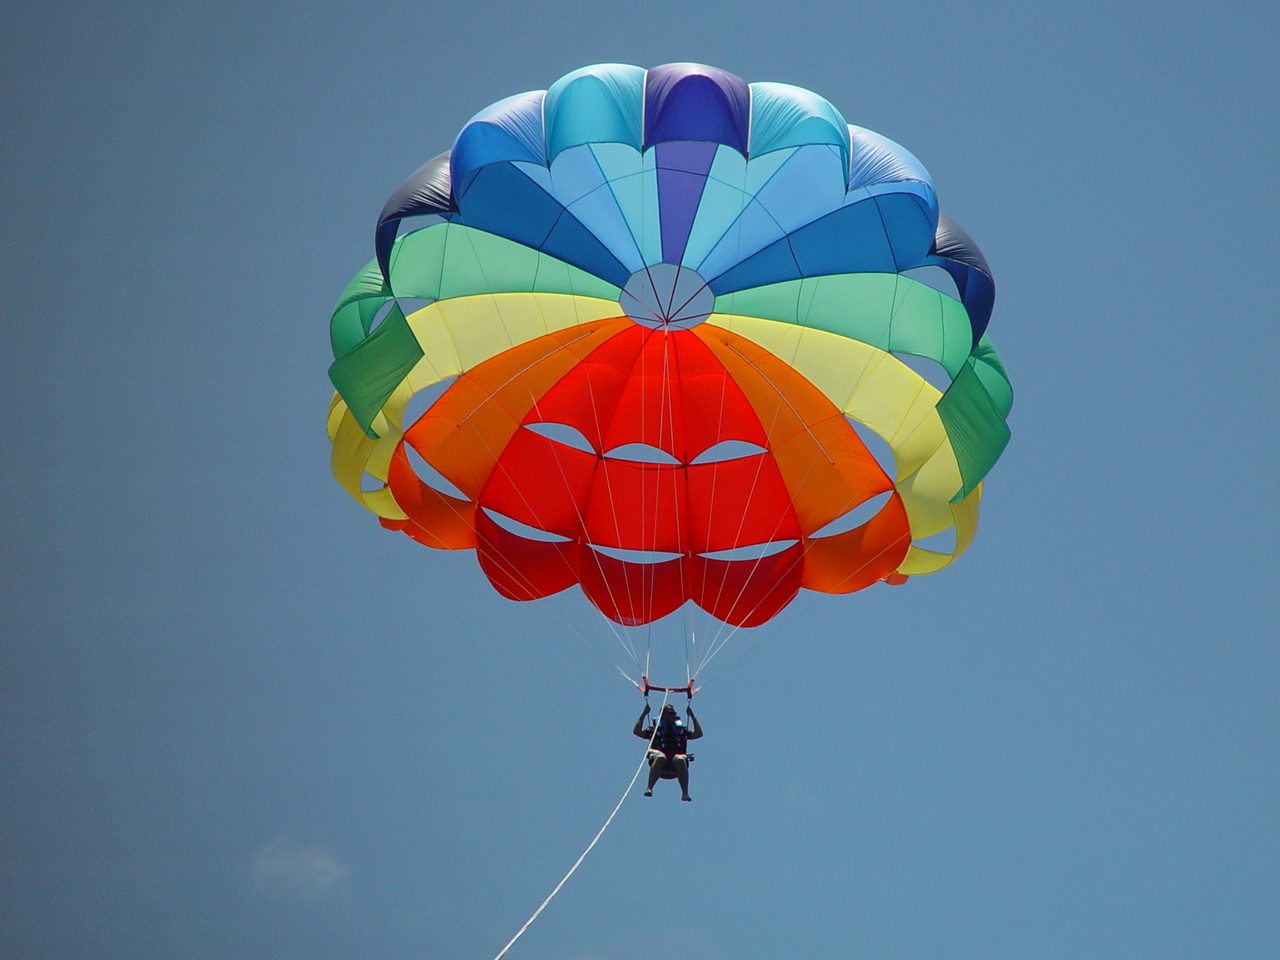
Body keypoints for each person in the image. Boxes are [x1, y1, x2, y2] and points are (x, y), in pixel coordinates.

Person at [633, 702, 702, 801]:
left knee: (680, 758)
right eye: (671, 713)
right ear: (663, 715)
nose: (674, 715)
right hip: (659, 763)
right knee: (661, 757)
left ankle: (685, 793)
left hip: (676, 766)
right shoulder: (655, 729)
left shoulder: (681, 730)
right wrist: (644, 713)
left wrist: (692, 716)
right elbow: (637, 732)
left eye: (674, 713)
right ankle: (649, 787)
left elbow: (698, 734)